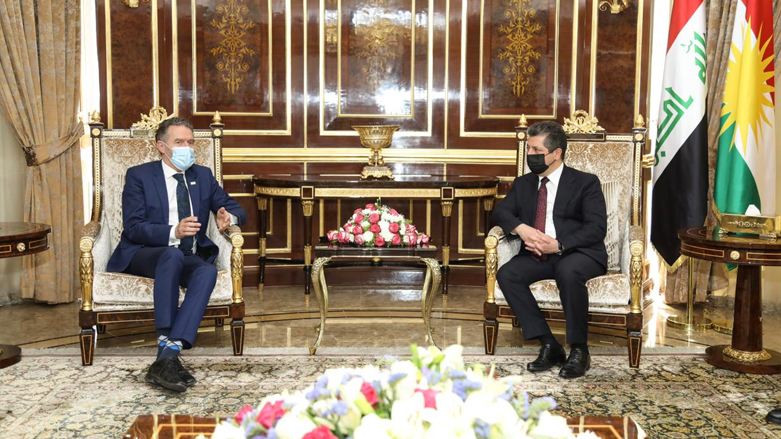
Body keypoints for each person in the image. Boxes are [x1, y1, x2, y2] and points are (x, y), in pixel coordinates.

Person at [106, 118, 247, 392]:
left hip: (188, 254)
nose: (187, 148)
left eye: (191, 142)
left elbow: (236, 207)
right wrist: (174, 231)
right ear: (162, 147)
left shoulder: (202, 175)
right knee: (171, 256)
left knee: (206, 270)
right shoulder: (140, 175)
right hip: (145, 253)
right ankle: (167, 350)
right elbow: (133, 228)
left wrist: (227, 216)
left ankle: (168, 355)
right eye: (179, 142)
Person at [492, 120, 607, 379]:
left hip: (579, 253)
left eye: (536, 150)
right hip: (537, 255)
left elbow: (596, 228)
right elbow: (500, 212)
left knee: (567, 271)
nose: (530, 155)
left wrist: (560, 244)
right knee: (508, 274)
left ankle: (579, 350)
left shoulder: (585, 182)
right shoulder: (523, 184)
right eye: (529, 150)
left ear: (557, 154)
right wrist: (521, 228)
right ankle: (549, 344)